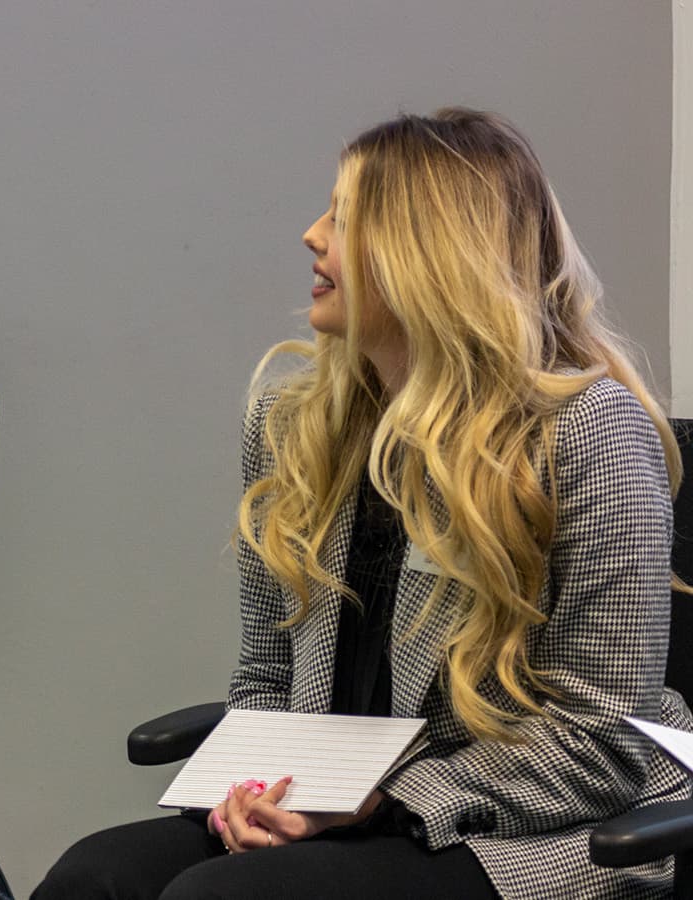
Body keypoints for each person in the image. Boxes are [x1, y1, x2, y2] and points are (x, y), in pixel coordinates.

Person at [34, 108, 693, 900]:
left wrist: (384, 800)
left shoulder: (588, 430)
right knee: (93, 879)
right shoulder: (292, 428)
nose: (312, 235)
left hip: (532, 823)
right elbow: (267, 675)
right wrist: (250, 795)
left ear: (431, 253)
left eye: (346, 219)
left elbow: (603, 739)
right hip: (331, 810)